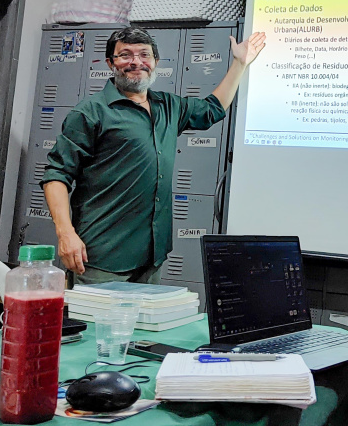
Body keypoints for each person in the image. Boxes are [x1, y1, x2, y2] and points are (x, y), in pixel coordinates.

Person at [41, 27, 266, 285]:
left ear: (155, 62)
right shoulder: (91, 113)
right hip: (101, 255)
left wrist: (240, 63)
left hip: (150, 258)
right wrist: (65, 233)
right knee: (95, 326)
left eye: (144, 55)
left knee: (142, 326)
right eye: (125, 55)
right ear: (110, 63)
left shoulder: (169, 106)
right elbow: (56, 175)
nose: (136, 62)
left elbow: (211, 109)